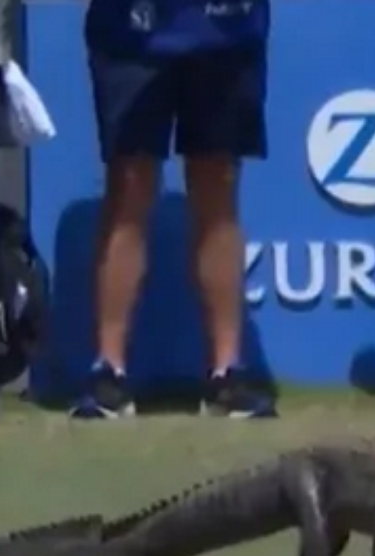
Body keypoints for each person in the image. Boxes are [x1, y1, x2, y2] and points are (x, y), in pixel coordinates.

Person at [71, 0, 276, 420]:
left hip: (227, 29)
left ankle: (226, 372)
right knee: (128, 184)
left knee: (217, 186)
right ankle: (109, 370)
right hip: (130, 29)